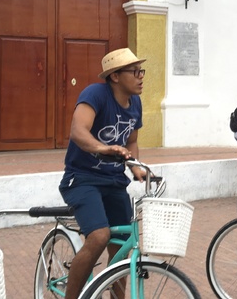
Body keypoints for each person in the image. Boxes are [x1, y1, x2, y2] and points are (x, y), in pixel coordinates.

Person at [58, 47, 149, 299]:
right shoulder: (95, 94)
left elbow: (131, 141)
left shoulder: (135, 103)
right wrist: (104, 148)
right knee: (99, 236)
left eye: (141, 71)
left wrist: (135, 165)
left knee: (121, 246)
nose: (141, 76)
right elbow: (78, 131)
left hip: (114, 182)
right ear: (115, 76)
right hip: (82, 179)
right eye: (135, 71)